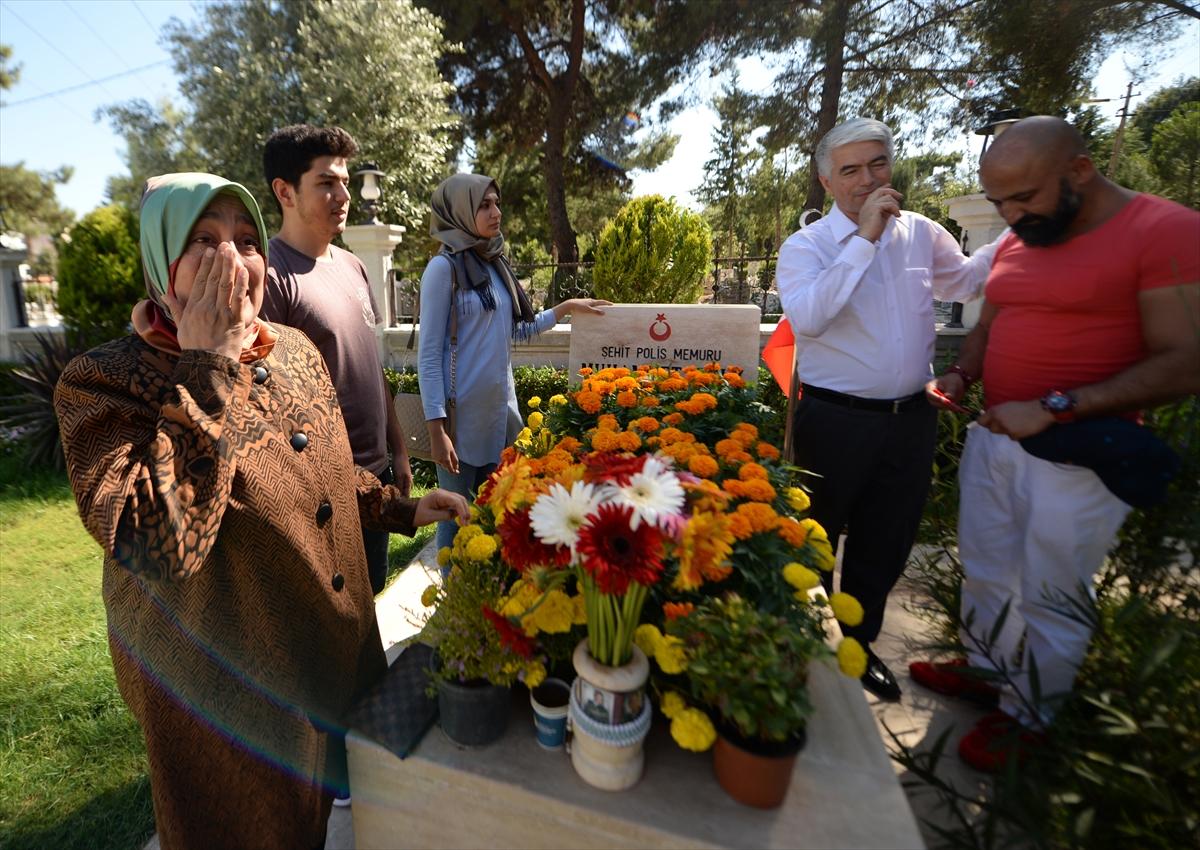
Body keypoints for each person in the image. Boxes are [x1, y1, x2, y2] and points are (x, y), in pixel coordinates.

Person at [53, 173, 469, 850]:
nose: (234, 260)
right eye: (204, 241)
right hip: (225, 695)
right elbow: (159, 544)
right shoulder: (101, 383)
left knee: (333, 803)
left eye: (246, 241)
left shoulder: (292, 347)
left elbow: (322, 466)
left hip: (331, 649)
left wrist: (397, 505)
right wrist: (209, 361)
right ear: (161, 262)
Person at [913, 116, 1200, 771]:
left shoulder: (1164, 230)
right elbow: (993, 318)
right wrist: (963, 373)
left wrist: (1054, 408)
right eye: (999, 203)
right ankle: (986, 670)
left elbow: (1186, 360)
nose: (1011, 214)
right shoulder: (1023, 236)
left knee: (1052, 586)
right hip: (997, 435)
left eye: (1025, 198)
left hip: (1081, 452)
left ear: (1080, 170)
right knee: (987, 561)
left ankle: (1032, 716)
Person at [776, 117, 1000, 702]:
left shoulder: (924, 232)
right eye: (850, 169)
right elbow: (811, 319)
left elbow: (965, 284)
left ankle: (857, 643)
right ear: (827, 182)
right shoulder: (806, 247)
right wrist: (864, 240)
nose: (866, 179)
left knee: (886, 541)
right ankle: (811, 649)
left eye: (877, 163)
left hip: (910, 419)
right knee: (815, 540)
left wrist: (1019, 227)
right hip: (833, 421)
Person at [417, 173, 609, 552]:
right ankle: (451, 605)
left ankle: (484, 601)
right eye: (484, 205)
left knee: (501, 515)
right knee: (456, 520)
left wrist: (567, 308)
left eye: (497, 203)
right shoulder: (444, 270)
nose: (496, 213)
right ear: (459, 211)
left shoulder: (493, 262)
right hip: (459, 422)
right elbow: (428, 355)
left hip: (499, 416)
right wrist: (437, 429)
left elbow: (515, 331)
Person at [260, 124, 412, 596]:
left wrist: (399, 450)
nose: (342, 194)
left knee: (374, 596)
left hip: (378, 478)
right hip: (322, 492)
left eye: (344, 181)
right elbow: (265, 404)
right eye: (326, 182)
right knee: (338, 620)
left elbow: (370, 365)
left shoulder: (353, 265)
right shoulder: (270, 277)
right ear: (285, 191)